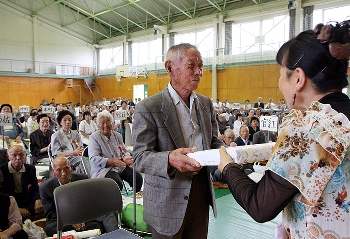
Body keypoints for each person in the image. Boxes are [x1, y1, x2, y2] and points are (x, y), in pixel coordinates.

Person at [218, 21, 350, 238]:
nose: (280, 83)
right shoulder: (338, 119)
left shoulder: (307, 127)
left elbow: (260, 206)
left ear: (298, 78)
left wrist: (228, 167)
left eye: (281, 74)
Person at [132, 43, 224, 238]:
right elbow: (139, 157)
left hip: (200, 192)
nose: (199, 72)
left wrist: (228, 152)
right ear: (170, 67)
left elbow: (213, 141)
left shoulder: (206, 104)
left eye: (201, 66)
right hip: (166, 198)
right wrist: (170, 159)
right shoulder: (149, 107)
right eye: (192, 65)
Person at [39, 157, 118, 237]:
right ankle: (92, 228)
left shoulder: (83, 179)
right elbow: (51, 213)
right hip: (63, 219)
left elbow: (91, 202)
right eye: (59, 170)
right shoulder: (45, 187)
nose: (63, 173)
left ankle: (116, 236)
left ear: (71, 168)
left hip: (84, 214)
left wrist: (81, 218)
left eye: (66, 168)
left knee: (108, 212)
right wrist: (72, 222)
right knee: (49, 229)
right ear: (53, 172)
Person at [88, 110, 143, 192]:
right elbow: (94, 158)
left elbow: (124, 151)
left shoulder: (118, 135)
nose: (106, 125)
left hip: (119, 166)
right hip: (104, 169)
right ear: (98, 125)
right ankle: (116, 203)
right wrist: (112, 161)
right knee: (115, 183)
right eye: (102, 123)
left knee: (137, 178)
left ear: (112, 123)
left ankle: (134, 200)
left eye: (108, 122)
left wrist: (126, 157)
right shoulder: (94, 137)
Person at [0, 145, 43, 220]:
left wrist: (37, 199)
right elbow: (1, 194)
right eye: (14, 155)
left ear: (26, 156)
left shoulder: (30, 169)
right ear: (8, 156)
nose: (18, 158)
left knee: (43, 207)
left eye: (21, 155)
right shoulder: (2, 171)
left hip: (25, 200)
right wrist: (16, 208)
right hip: (8, 202)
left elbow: (35, 188)